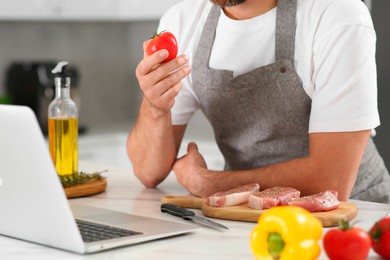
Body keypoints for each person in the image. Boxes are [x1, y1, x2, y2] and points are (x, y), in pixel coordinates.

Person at [127, 0, 390, 203]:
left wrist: (209, 183)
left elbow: (332, 180)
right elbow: (148, 172)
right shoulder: (182, 22)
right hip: (245, 216)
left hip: (355, 218)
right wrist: (154, 107)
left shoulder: (337, 15)